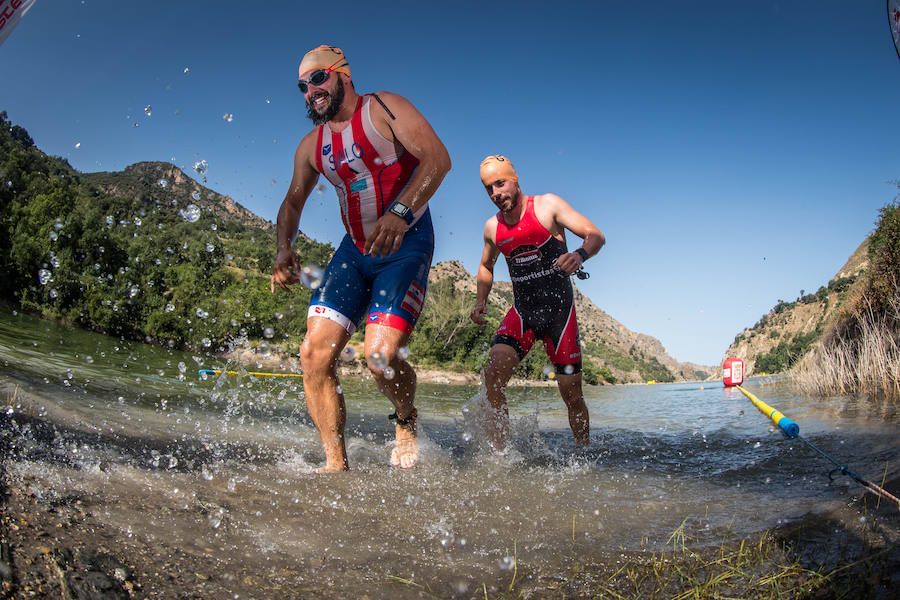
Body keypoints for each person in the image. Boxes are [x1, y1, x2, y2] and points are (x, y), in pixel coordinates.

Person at [271, 45, 451, 471]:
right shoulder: (312, 145)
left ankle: (405, 419)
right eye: (303, 85)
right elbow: (293, 203)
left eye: (319, 78)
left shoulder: (384, 108)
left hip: (405, 245)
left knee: (380, 356)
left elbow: (438, 160)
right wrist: (284, 247)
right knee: (313, 354)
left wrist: (400, 212)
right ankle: (336, 464)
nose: (310, 91)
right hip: (355, 251)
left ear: (343, 75)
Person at [470, 155, 605, 451]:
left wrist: (579, 254)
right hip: (523, 313)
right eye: (489, 189)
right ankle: (501, 454)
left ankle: (584, 451)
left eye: (500, 184)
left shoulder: (547, 206)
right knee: (493, 376)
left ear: (515, 180)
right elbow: (486, 266)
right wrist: (481, 301)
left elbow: (595, 236)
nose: (496, 194)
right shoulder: (492, 228)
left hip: (560, 316)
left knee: (572, 396)